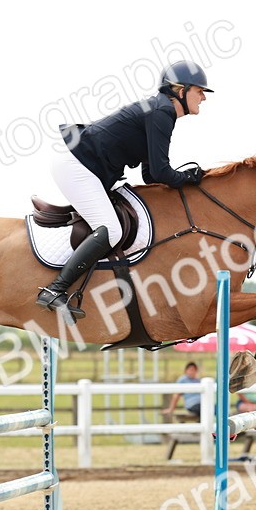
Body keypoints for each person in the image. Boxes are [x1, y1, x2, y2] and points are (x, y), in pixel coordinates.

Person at [36, 60, 213, 319]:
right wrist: (189, 177)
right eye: (200, 91)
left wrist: (184, 178)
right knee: (112, 230)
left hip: (79, 164)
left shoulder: (159, 111)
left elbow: (150, 173)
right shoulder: (161, 113)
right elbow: (163, 173)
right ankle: (55, 289)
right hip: (76, 166)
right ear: (180, 90)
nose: (203, 98)